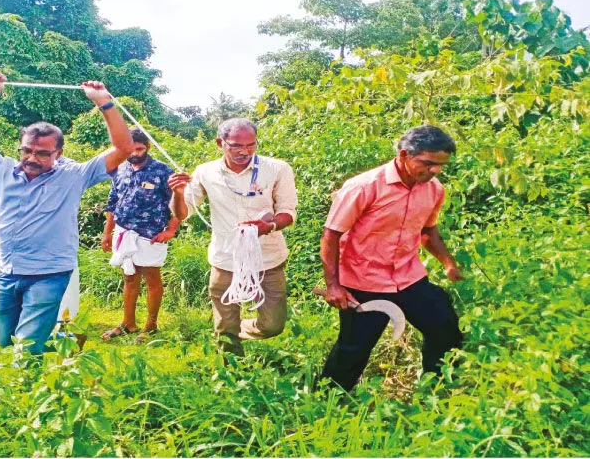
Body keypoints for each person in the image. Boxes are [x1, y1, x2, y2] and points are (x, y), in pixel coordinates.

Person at [0, 72, 133, 355]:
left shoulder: (75, 175)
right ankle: (66, 343)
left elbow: (123, 148)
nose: (32, 159)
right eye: (27, 151)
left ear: (58, 153)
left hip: (49, 272)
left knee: (26, 347)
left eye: (42, 154)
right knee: (4, 341)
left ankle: (26, 390)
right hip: (7, 270)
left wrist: (104, 104)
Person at [317, 125, 465, 391]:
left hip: (409, 277)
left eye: (441, 166)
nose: (435, 171)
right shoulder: (363, 187)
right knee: (355, 347)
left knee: (444, 328)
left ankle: (437, 389)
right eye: (428, 164)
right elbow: (331, 235)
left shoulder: (434, 190)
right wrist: (334, 286)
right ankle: (326, 400)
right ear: (404, 155)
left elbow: (428, 230)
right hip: (365, 282)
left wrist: (448, 263)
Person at [168, 118, 297, 356]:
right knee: (226, 331)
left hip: (269, 258)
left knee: (272, 325)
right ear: (220, 143)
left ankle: (236, 329)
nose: (244, 152)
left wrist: (266, 226)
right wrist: (177, 194)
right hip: (226, 258)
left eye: (251, 145)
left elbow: (288, 213)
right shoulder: (205, 172)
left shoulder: (277, 168)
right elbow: (183, 213)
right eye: (236, 145)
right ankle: (231, 375)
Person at [100, 128, 181, 343]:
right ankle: (129, 323)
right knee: (129, 277)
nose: (135, 153)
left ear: (148, 147)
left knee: (151, 277)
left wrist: (170, 230)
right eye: (131, 149)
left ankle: (151, 325)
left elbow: (181, 204)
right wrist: (107, 233)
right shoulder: (120, 169)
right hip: (123, 231)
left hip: (151, 234)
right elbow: (112, 204)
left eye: (140, 148)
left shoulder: (163, 171)